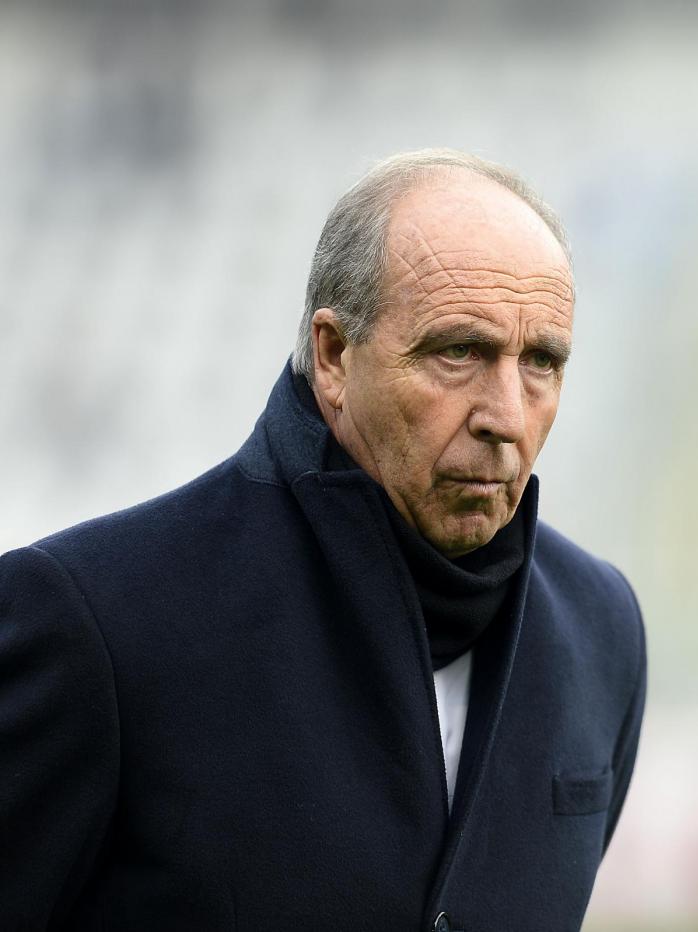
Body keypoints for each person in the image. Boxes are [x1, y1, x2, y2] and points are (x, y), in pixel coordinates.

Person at [0, 149, 646, 932]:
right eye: (458, 352)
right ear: (336, 356)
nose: (505, 416)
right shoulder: (91, 621)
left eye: (541, 361)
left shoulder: (600, 629)